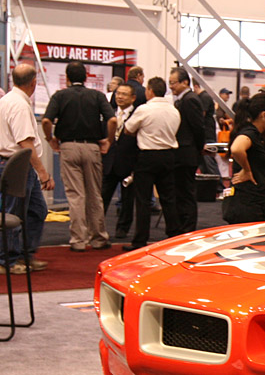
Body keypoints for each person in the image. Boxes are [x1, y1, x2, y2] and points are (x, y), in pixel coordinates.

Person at [41, 61, 116, 252]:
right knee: (94, 194)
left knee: (76, 195)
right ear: (86, 77)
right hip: (92, 147)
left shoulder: (60, 96)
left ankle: (78, 240)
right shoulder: (97, 95)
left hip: (69, 147)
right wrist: (108, 139)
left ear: (66, 78)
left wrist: (50, 139)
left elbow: (47, 120)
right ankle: (99, 238)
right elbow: (113, 119)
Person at [0, 64, 53, 274]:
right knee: (13, 213)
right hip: (17, 166)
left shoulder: (6, 100)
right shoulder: (19, 105)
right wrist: (43, 172)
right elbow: (26, 143)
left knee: (37, 210)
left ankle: (24, 254)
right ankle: (8, 261)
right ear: (34, 82)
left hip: (13, 164)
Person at [122, 77, 181, 251]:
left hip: (147, 156)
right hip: (169, 155)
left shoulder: (144, 109)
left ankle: (140, 241)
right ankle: (174, 237)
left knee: (143, 200)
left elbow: (128, 129)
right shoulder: (173, 111)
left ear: (150, 91)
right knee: (169, 198)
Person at [226, 93, 265, 223]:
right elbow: (237, 149)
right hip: (247, 204)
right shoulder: (250, 133)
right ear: (264, 115)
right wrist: (247, 170)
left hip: (252, 202)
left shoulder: (256, 134)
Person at [167, 68, 206, 232]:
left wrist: (197, 150)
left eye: (173, 83)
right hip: (181, 154)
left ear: (185, 82)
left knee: (186, 194)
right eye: (169, 83)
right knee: (180, 192)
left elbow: (198, 128)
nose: (171, 87)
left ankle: (188, 229)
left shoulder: (190, 100)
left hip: (187, 154)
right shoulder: (181, 100)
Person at [102, 83, 140, 239]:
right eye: (118, 93)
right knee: (102, 197)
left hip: (129, 162)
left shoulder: (138, 115)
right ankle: (97, 228)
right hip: (109, 162)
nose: (120, 97)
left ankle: (122, 229)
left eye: (124, 94)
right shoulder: (109, 114)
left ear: (133, 98)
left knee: (127, 200)